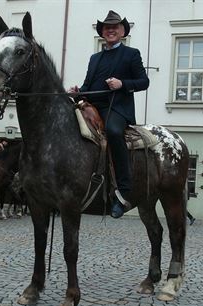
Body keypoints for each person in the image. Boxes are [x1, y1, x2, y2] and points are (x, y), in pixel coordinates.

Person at [69, 10, 149, 218]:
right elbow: (88, 86)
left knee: (113, 132)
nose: (111, 30)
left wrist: (122, 84)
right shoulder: (95, 58)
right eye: (107, 27)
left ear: (122, 31)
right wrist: (78, 93)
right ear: (102, 32)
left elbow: (144, 82)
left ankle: (123, 191)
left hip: (117, 108)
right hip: (93, 107)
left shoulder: (132, 54)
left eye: (115, 27)